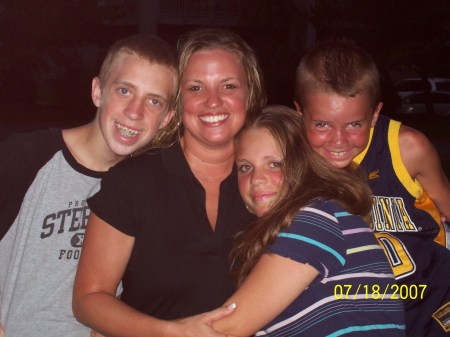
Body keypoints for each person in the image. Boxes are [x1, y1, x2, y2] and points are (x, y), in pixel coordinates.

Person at [72, 28, 266, 337]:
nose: (213, 102)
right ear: (177, 102)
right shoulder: (133, 181)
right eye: (196, 88)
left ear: (249, 93)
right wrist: (170, 332)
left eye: (228, 86)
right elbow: (88, 301)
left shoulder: (272, 179)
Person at [0, 34, 179, 337]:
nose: (135, 112)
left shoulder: (148, 189)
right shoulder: (25, 157)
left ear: (166, 118)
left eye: (153, 101)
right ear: (98, 91)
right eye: (124, 90)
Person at [293, 39, 450, 336]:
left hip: (429, 302)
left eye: (354, 124)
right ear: (300, 114)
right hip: (356, 311)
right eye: (322, 125)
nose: (338, 141)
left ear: (375, 115)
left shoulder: (406, 148)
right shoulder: (289, 159)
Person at [211, 105, 406, 336]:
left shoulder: (315, 220)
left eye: (275, 164)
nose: (256, 179)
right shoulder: (314, 219)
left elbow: (228, 328)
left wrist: (157, 328)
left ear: (303, 163)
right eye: (245, 167)